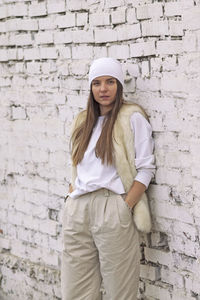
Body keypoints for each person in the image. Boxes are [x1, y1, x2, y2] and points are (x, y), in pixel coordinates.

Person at [61, 57, 155, 300]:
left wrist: (125, 206)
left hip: (112, 208)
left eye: (110, 82)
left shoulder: (131, 117)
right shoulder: (83, 121)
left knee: (120, 292)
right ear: (91, 88)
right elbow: (76, 167)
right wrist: (71, 196)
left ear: (119, 85)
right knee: (75, 292)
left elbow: (146, 168)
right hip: (77, 210)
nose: (103, 89)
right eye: (97, 83)